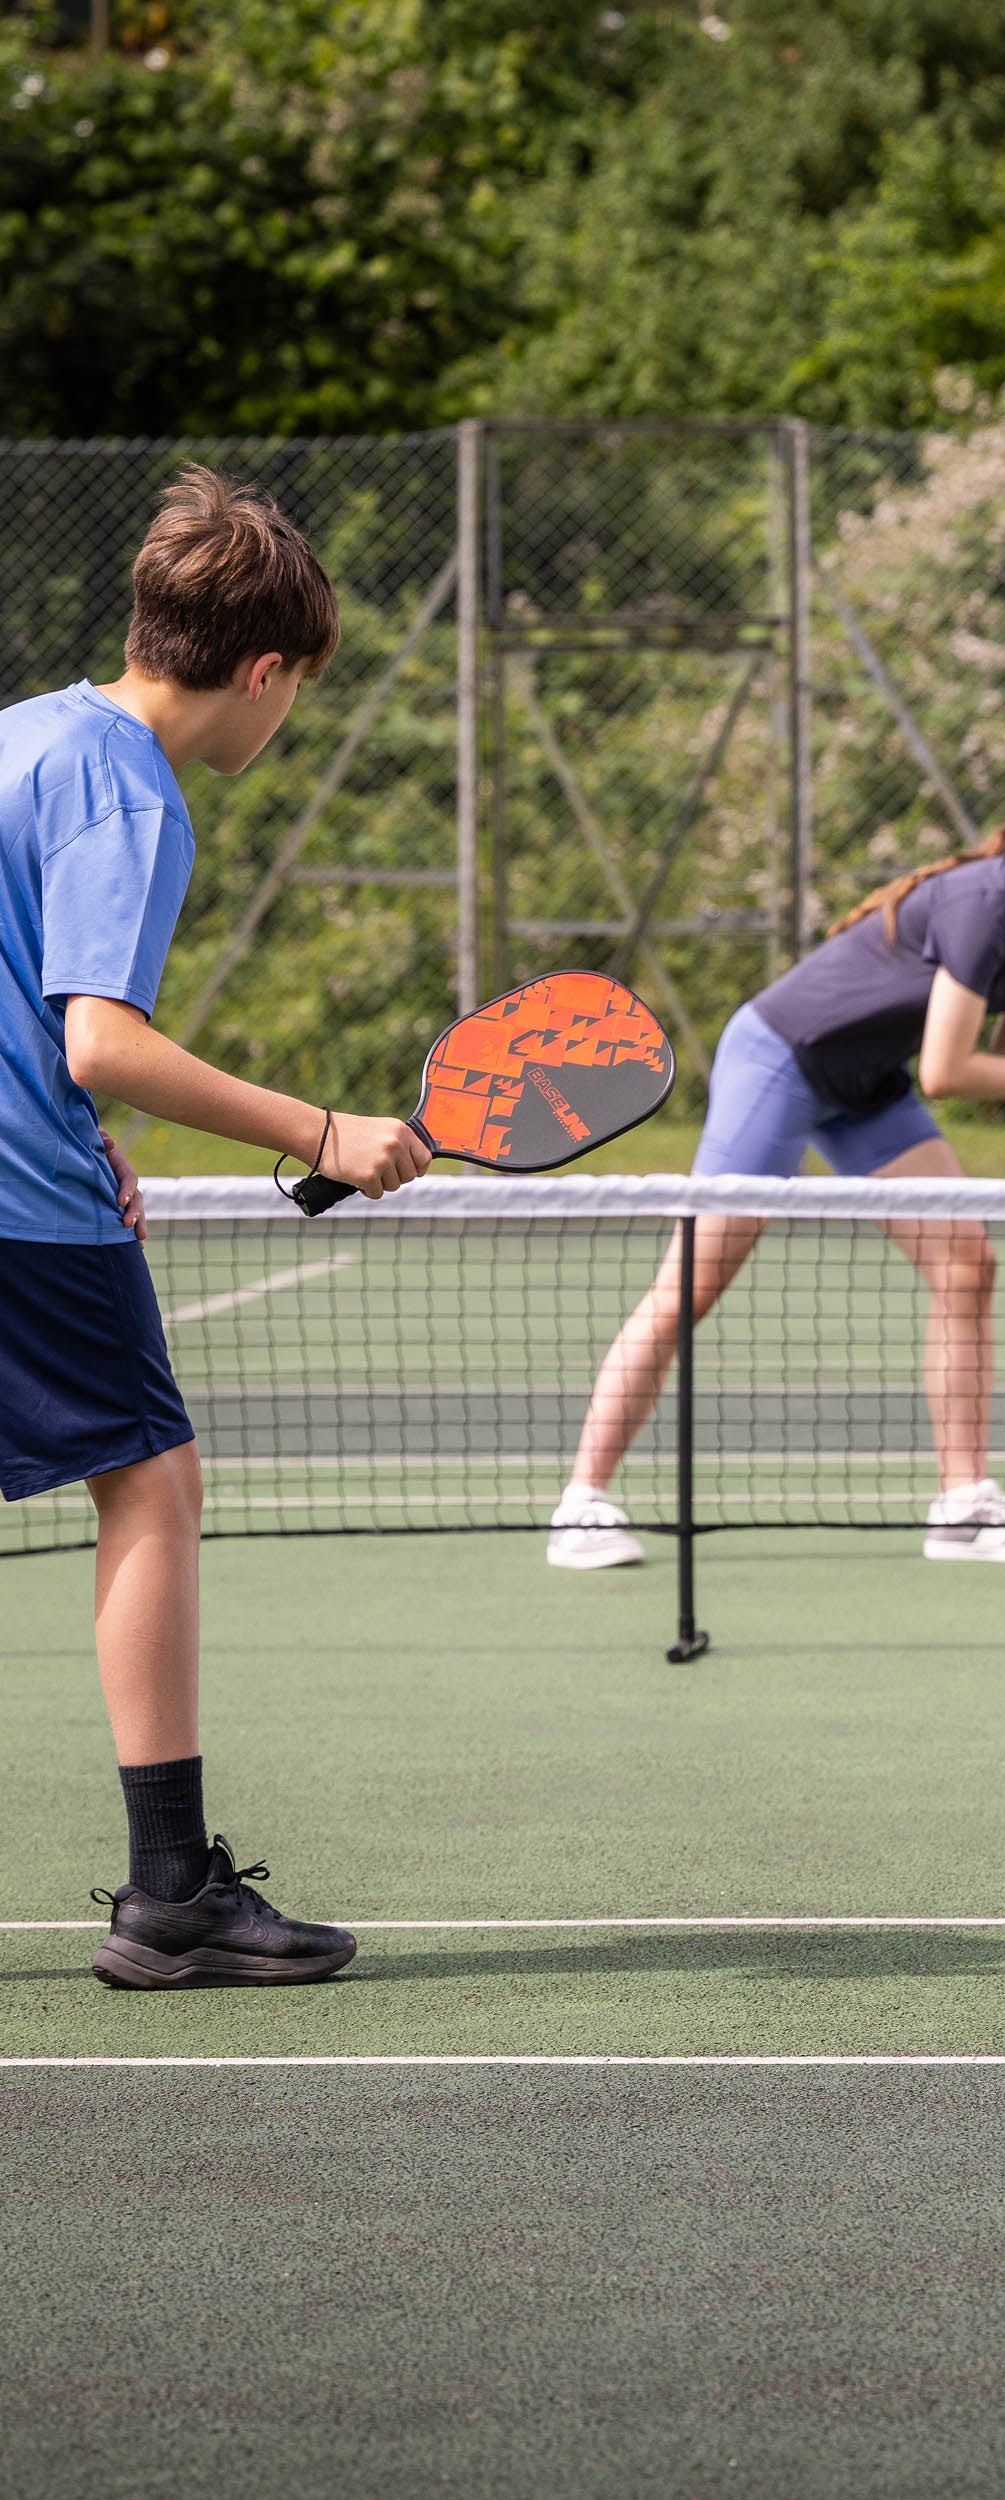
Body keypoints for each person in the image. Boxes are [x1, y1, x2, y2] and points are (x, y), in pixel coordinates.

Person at [0, 467, 431, 1989]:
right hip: (19, 1220)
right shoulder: (129, 787)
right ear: (264, 673)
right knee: (152, 1482)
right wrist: (325, 1132)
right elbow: (99, 1037)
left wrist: (80, 1130)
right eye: (297, 693)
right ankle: (170, 1886)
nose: (284, 720)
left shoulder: (22, 734)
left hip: (33, 1175)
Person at [548, 738, 1005, 1571]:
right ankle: (581, 1506)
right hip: (781, 1057)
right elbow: (946, 1073)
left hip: (864, 1081)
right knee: (693, 1282)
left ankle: (964, 1505)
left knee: (968, 1264)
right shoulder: (986, 904)